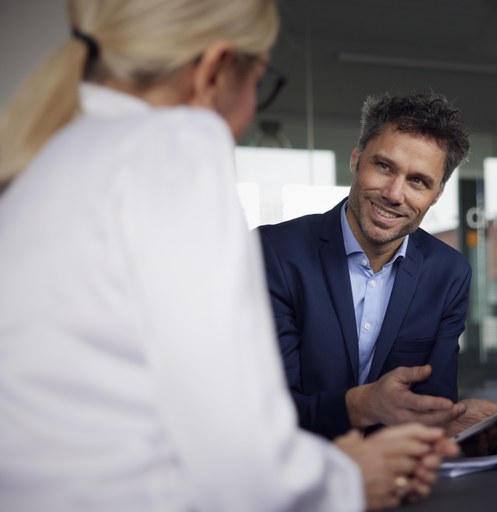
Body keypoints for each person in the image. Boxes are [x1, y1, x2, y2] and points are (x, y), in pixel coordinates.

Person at [0, 1, 458, 511]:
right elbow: (231, 442)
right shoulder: (172, 146)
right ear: (215, 69)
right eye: (260, 80)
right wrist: (347, 479)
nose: (396, 193)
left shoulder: (50, 150)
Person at [258, 91, 497, 452]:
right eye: (384, 166)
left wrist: (452, 426)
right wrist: (364, 405)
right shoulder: (274, 254)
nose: (394, 194)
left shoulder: (448, 274)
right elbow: (265, 413)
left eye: (418, 181)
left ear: (437, 194)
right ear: (356, 159)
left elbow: (430, 406)